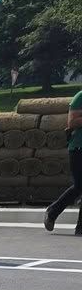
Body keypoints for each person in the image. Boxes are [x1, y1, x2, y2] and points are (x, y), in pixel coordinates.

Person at [43, 85, 82, 233]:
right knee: (79, 185)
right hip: (79, 148)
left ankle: (81, 227)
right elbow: (72, 122)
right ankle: (53, 211)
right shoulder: (80, 96)